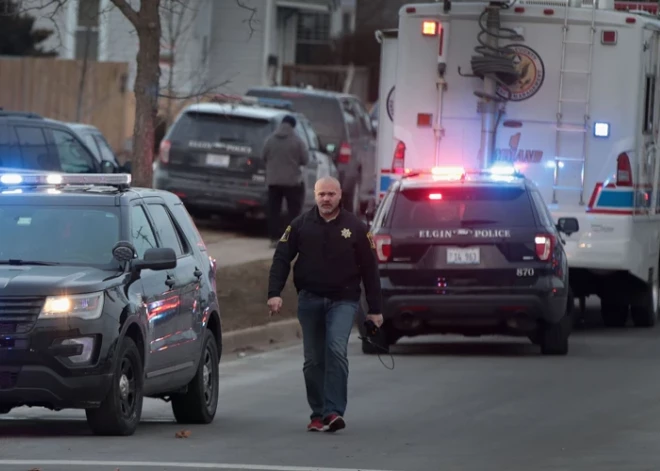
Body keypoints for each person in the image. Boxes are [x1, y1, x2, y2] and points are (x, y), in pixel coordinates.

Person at [266, 176, 383, 433]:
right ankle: (318, 413)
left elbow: (370, 270)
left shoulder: (356, 227)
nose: (326, 199)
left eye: (331, 194)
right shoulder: (300, 225)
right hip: (310, 300)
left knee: (335, 349)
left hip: (344, 300)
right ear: (315, 196)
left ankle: (333, 411)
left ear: (340, 195)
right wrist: (274, 293)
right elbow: (282, 258)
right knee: (313, 360)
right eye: (321, 194)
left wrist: (375, 309)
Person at [262, 114, 309, 248]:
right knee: (293, 211)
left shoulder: (270, 140)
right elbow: (305, 160)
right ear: (293, 126)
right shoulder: (298, 141)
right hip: (292, 182)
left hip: (273, 181)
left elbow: (263, 156)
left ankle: (273, 238)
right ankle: (291, 238)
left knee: (273, 210)